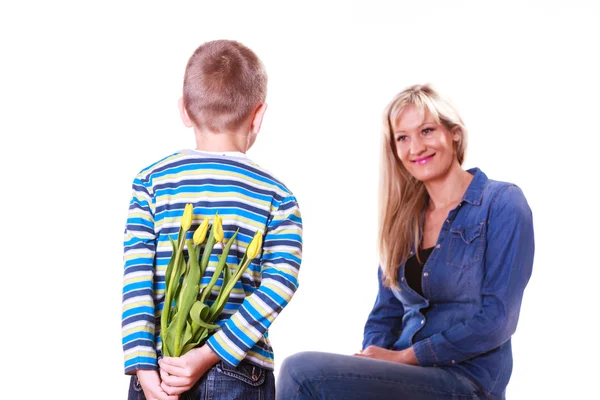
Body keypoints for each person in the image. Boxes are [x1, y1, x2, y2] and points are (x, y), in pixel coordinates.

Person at [276, 84, 534, 400]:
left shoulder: (502, 203)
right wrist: (372, 358)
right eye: (403, 138)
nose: (416, 148)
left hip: (468, 383)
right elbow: (384, 314)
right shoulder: (404, 220)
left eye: (427, 131)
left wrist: (406, 357)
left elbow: (498, 320)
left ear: (453, 133)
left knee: (301, 373)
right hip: (406, 376)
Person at [122, 39, 303, 400]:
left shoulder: (152, 182)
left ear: (184, 110)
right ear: (259, 115)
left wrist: (143, 366)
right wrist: (209, 354)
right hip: (237, 368)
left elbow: (137, 276)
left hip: (160, 371)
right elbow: (281, 283)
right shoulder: (278, 196)